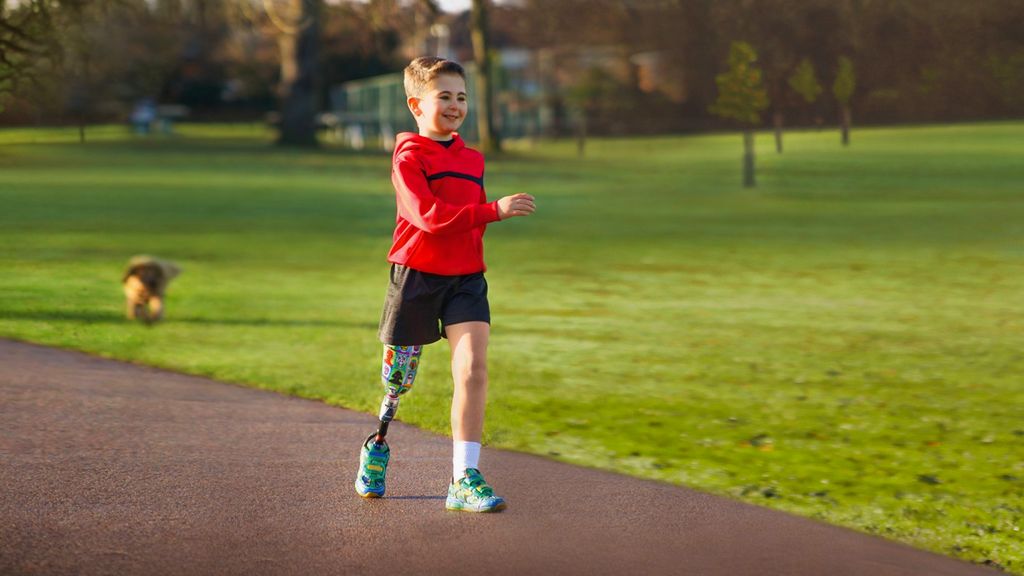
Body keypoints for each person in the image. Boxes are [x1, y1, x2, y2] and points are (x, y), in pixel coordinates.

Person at [354, 57, 535, 512]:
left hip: (466, 280)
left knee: (473, 370)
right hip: (415, 275)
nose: (455, 105)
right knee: (398, 381)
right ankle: (378, 442)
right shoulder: (409, 156)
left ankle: (463, 479)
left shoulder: (473, 158)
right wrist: (493, 210)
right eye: (444, 97)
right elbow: (429, 219)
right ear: (416, 104)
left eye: (462, 97)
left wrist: (483, 221)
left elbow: (470, 222)